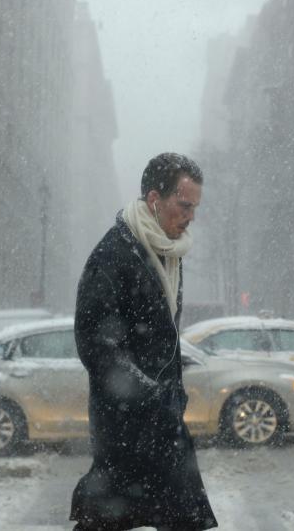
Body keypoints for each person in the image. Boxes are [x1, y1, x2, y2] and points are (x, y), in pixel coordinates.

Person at [70, 153, 217, 531]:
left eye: (195, 207)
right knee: (107, 519)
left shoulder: (167, 252)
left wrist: (170, 400)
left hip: (163, 427)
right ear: (155, 200)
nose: (191, 217)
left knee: (186, 519)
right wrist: (150, 396)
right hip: (125, 430)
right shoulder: (113, 256)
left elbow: (161, 338)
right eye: (184, 205)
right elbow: (97, 347)